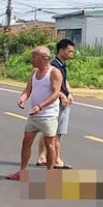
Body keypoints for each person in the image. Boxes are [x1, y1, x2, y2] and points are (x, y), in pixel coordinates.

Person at [7, 46, 63, 181]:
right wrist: (23, 98)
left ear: (45, 58)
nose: (32, 59)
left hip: (48, 115)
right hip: (34, 115)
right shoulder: (34, 72)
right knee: (26, 142)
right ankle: (23, 171)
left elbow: (56, 93)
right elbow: (28, 89)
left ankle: (50, 174)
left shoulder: (54, 72)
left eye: (34, 56)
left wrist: (41, 106)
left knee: (49, 144)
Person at [36, 38, 76, 169]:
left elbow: (64, 82)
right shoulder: (54, 66)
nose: (71, 54)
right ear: (61, 50)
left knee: (48, 131)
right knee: (56, 133)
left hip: (59, 100)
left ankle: (42, 157)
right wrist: (62, 96)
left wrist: (69, 92)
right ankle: (57, 159)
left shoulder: (61, 65)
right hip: (57, 103)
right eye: (69, 51)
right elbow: (53, 86)